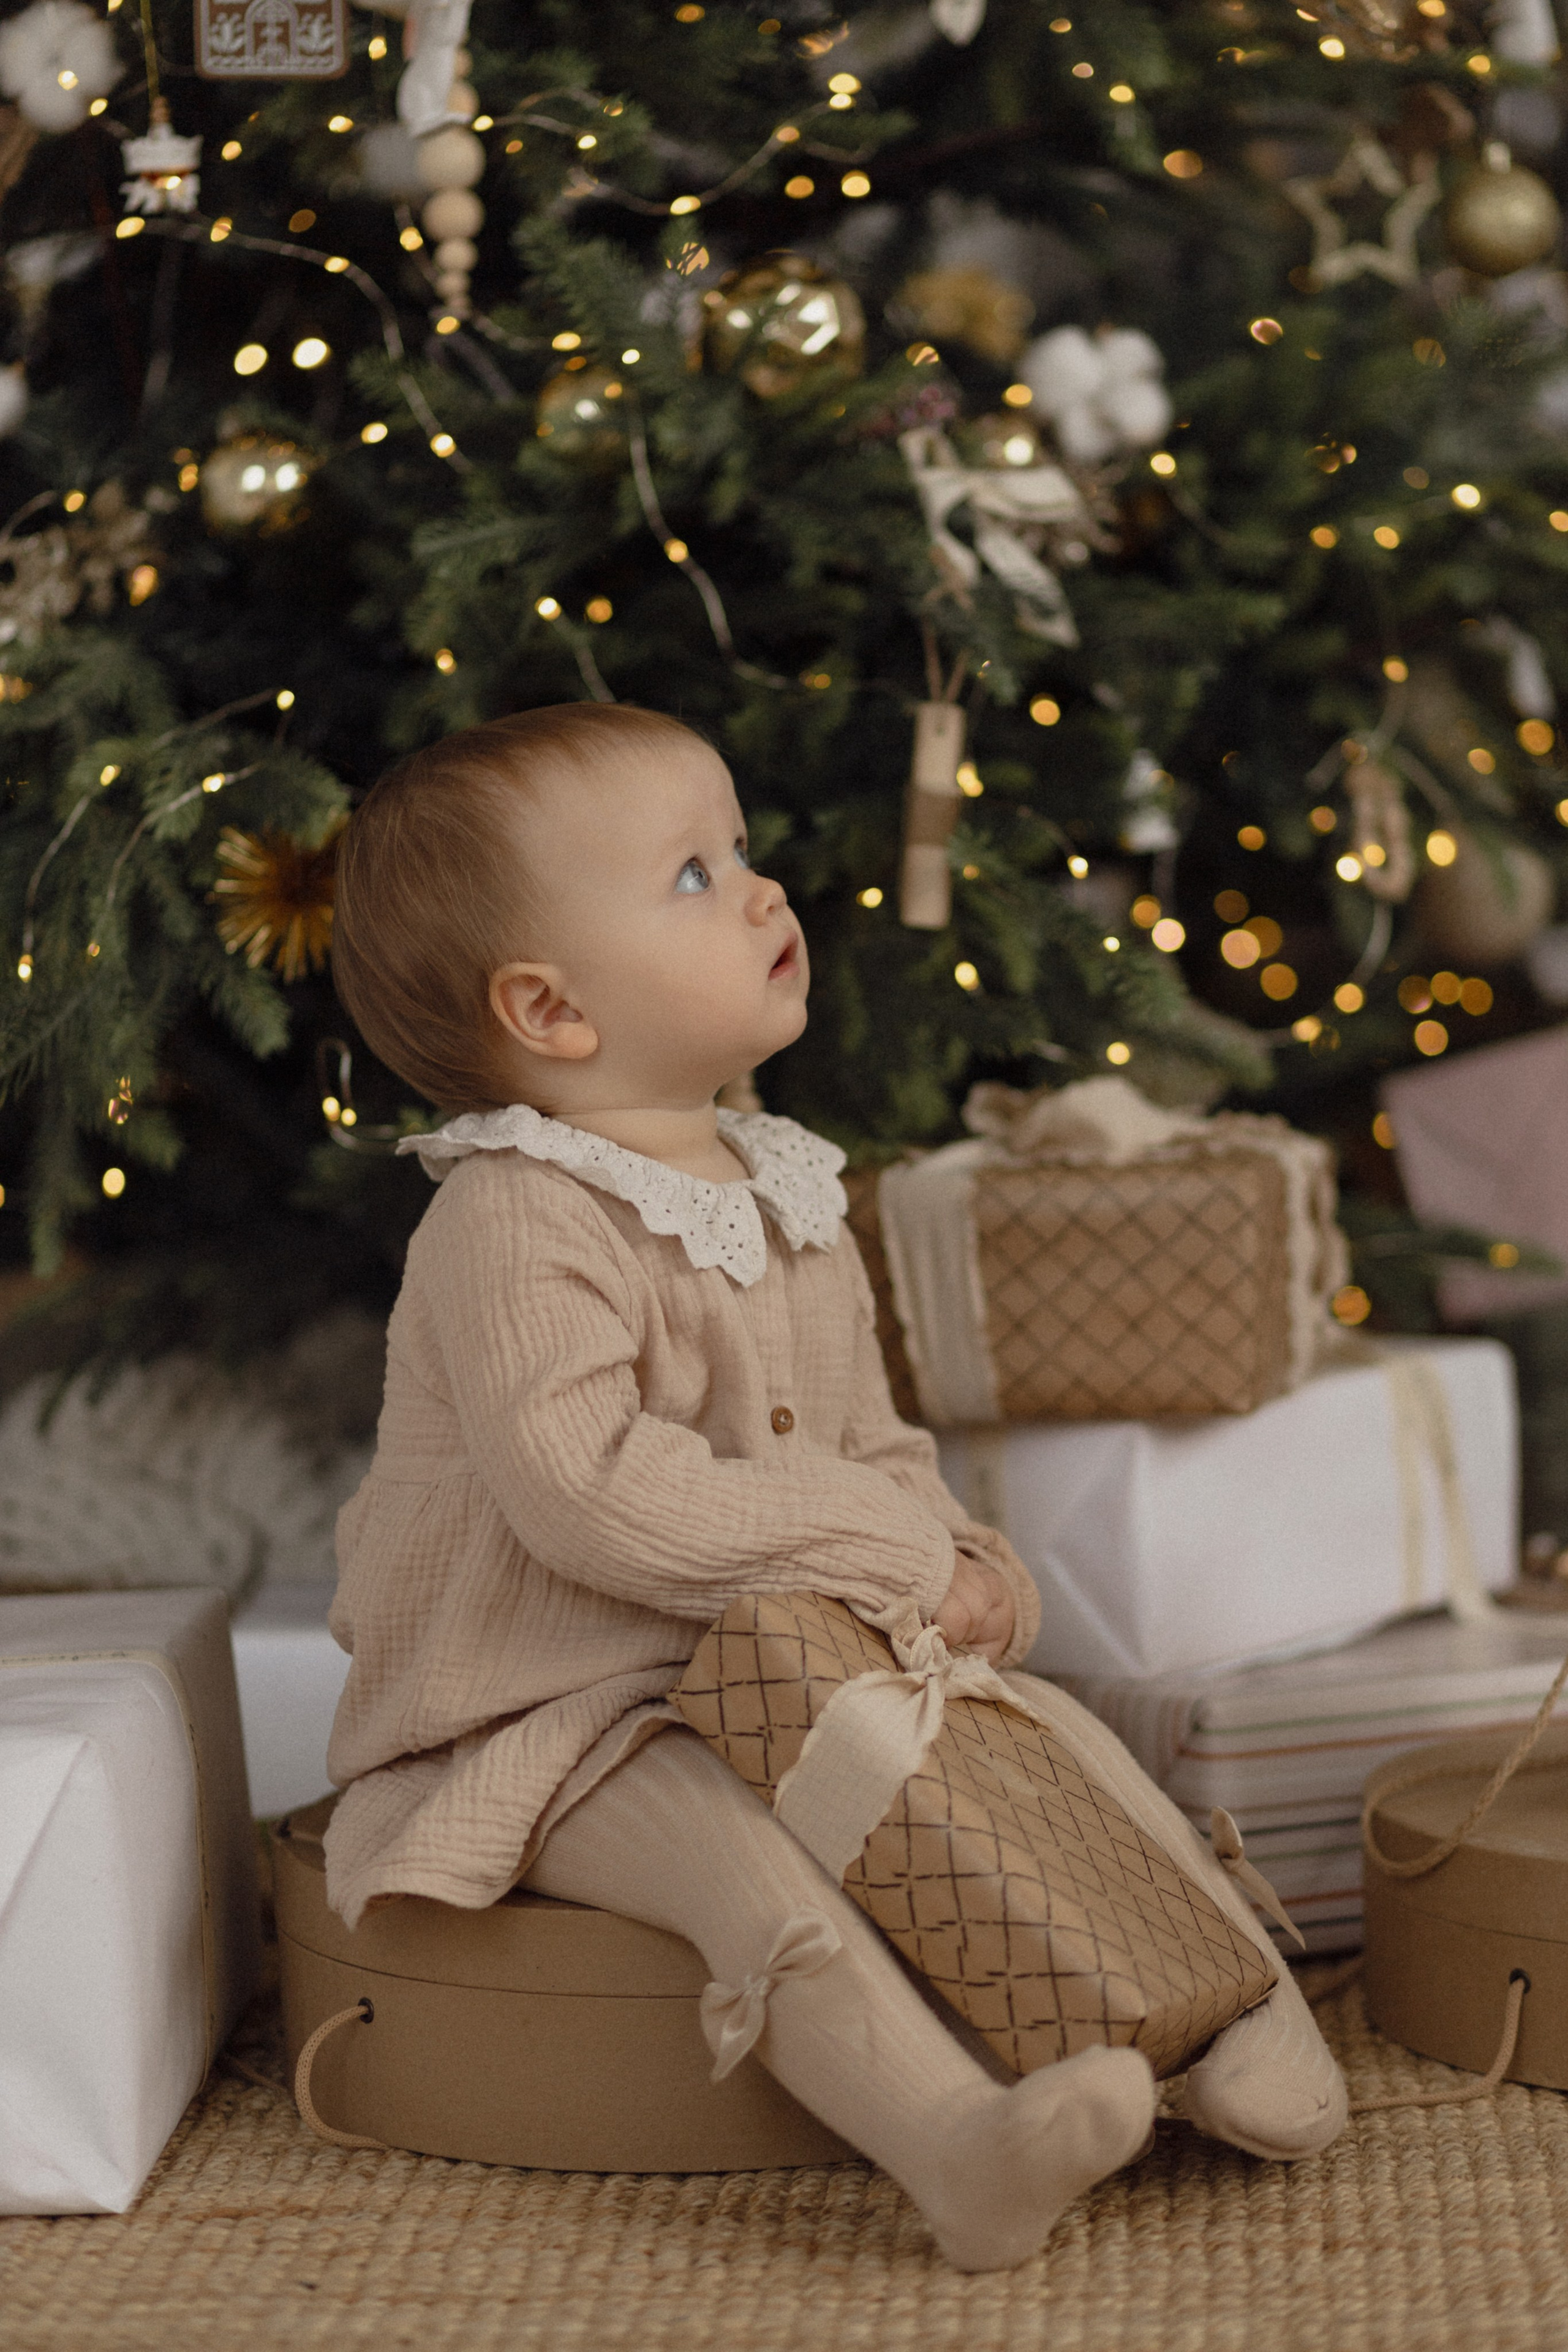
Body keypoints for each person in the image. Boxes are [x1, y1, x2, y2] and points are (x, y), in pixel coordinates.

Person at [325, 703, 1345, 2271]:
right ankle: (952, 2145)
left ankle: (1236, 2016)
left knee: (1051, 1731)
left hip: (799, 1651)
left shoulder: (784, 1185)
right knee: (733, 1852)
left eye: (742, 851)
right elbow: (588, 1494)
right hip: (565, 1707)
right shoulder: (515, 1218)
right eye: (690, 875)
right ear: (549, 1006)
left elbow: (873, 1444)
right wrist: (886, 1553)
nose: (760, 890)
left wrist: (956, 1554)